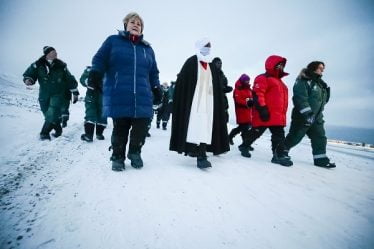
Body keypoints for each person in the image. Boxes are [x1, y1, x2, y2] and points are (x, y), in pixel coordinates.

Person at [88, 12, 162, 171]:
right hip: (119, 92)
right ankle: (117, 157)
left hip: (142, 95)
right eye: (132, 22)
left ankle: (135, 152)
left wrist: (156, 87)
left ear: (142, 29)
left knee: (141, 127)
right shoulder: (113, 41)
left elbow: (153, 72)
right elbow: (99, 59)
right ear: (125, 25)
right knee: (120, 127)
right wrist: (95, 73)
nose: (136, 25)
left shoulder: (147, 49)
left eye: (139, 24)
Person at [169, 38, 230, 169]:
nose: (207, 48)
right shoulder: (191, 62)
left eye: (209, 46)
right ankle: (194, 149)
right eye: (205, 45)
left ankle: (202, 154)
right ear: (199, 47)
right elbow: (182, 84)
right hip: (193, 104)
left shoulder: (211, 66)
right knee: (192, 126)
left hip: (208, 103)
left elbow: (215, 85)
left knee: (205, 126)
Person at [241, 55, 293, 166]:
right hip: (264, 113)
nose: (281, 68)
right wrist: (262, 109)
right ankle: (244, 146)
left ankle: (278, 155)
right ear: (272, 65)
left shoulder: (280, 82)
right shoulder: (263, 78)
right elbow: (258, 94)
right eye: (279, 65)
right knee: (256, 132)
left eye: (282, 66)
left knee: (279, 135)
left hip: (277, 115)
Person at [283, 61, 336, 168]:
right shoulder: (303, 81)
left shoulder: (320, 84)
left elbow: (321, 101)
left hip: (317, 117)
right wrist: (307, 113)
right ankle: (281, 152)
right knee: (295, 136)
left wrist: (326, 93)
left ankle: (320, 160)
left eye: (323, 68)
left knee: (320, 137)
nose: (323, 70)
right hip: (303, 116)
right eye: (320, 68)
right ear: (313, 68)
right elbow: (300, 98)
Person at [23, 46, 79, 140]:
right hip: (44, 94)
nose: (56, 53)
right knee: (47, 113)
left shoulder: (62, 66)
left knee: (52, 112)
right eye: (53, 52)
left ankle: (44, 133)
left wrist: (75, 92)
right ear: (47, 54)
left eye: (56, 52)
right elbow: (29, 74)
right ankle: (58, 130)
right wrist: (28, 80)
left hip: (58, 94)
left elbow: (70, 78)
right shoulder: (37, 64)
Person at [80, 66, 107, 142]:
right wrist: (89, 82)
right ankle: (93, 135)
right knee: (93, 112)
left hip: (100, 95)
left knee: (98, 113)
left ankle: (96, 134)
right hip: (93, 94)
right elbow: (82, 80)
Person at [229, 74, 254, 157]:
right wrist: (248, 102)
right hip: (241, 112)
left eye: (248, 80)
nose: (247, 82)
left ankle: (230, 137)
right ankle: (245, 144)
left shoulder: (249, 89)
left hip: (249, 112)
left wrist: (252, 102)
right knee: (245, 128)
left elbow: (251, 98)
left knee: (243, 128)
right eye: (246, 80)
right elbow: (238, 100)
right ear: (242, 80)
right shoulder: (237, 89)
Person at [212, 57, 233, 123]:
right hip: (214, 103)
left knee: (225, 121)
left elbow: (224, 85)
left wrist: (227, 88)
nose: (220, 65)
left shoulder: (222, 75)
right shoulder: (210, 74)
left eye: (221, 63)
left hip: (223, 102)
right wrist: (222, 89)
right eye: (218, 63)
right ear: (214, 64)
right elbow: (210, 88)